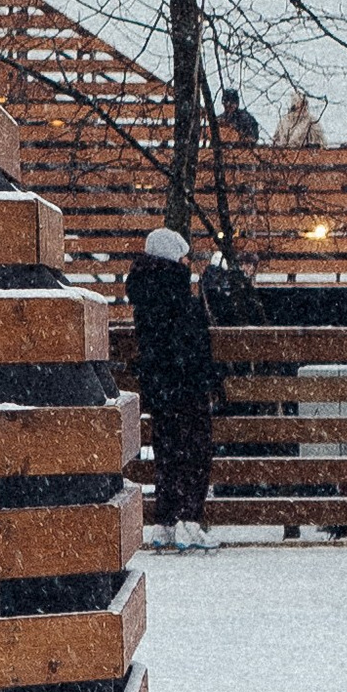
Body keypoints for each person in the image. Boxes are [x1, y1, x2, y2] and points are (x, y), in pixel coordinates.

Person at [127, 224, 226, 553]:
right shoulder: (178, 294)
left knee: (167, 452)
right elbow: (192, 345)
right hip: (187, 385)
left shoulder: (145, 292)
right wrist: (209, 378)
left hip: (160, 387)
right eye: (184, 257)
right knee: (195, 453)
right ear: (173, 259)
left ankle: (165, 522)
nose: (187, 263)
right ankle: (188, 521)